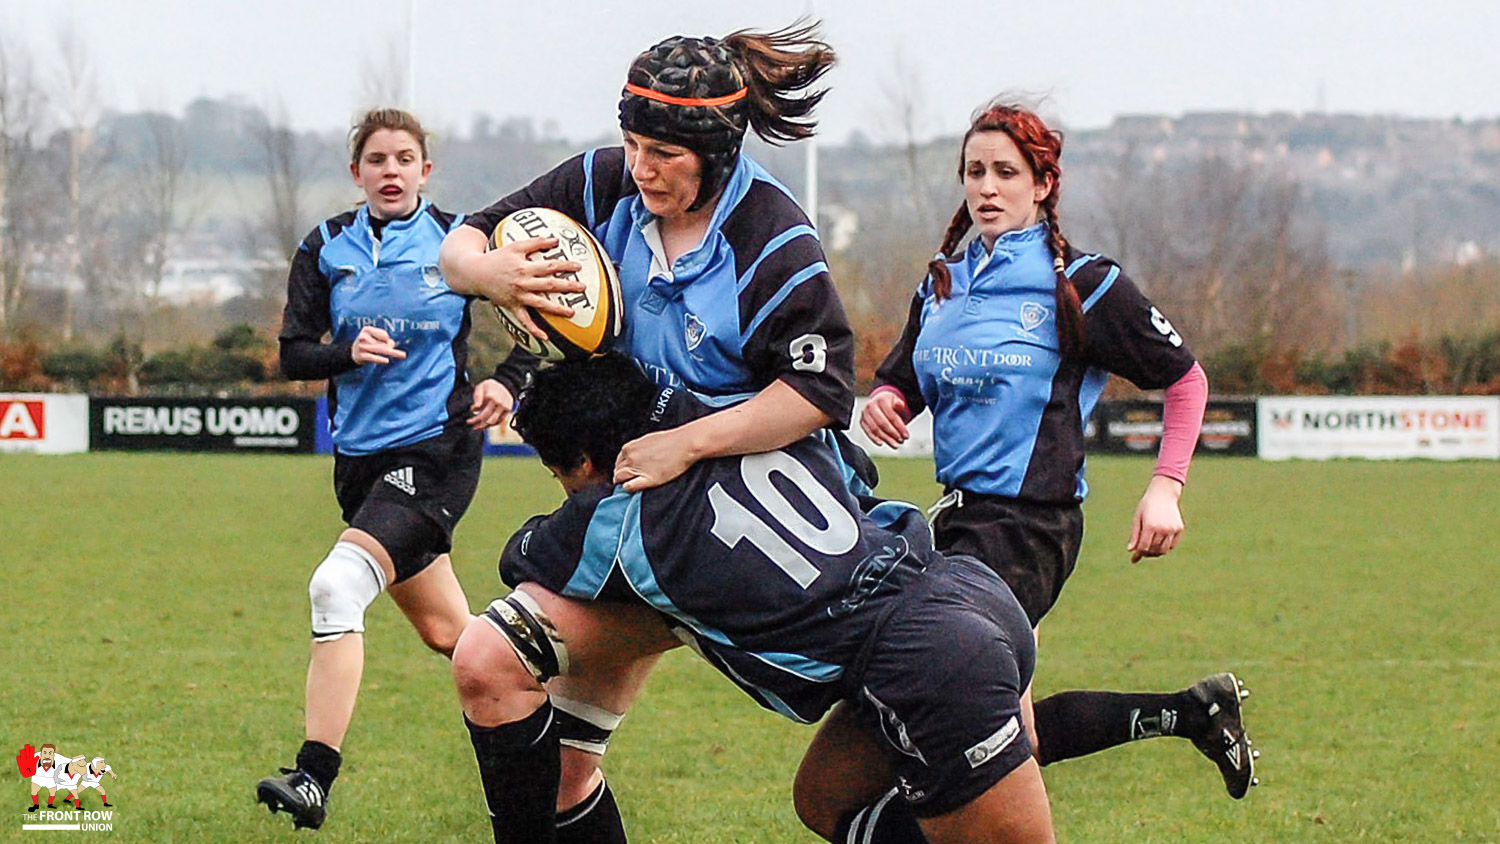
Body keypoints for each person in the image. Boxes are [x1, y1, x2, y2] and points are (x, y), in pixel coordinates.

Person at [439, 24, 862, 838]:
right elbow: (461, 243)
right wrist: (490, 273)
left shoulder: (773, 238)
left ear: (718, 151)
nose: (640, 167)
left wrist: (688, 441)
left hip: (746, 531)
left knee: (490, 659)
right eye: (632, 143)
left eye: (662, 152)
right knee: (554, 753)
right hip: (647, 515)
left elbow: (819, 392)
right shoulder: (605, 184)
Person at [843, 98, 1256, 819]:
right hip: (956, 523)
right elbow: (903, 380)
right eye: (975, 171)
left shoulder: (1084, 285)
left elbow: (1186, 380)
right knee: (1014, 741)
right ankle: (1192, 714)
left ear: (1042, 185)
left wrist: (1166, 488)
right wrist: (887, 399)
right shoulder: (943, 280)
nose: (987, 187)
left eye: (1006, 171)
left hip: (1029, 532)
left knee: (936, 699)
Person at [451, 353, 1055, 844]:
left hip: (924, 662)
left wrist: (583, 507)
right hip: (969, 589)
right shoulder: (753, 416)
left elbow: (520, 559)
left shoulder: (620, 518)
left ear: (584, 464)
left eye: (560, 477)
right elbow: (857, 473)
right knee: (826, 799)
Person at [255, 107, 510, 831]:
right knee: (453, 639)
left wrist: (510, 381)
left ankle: (313, 776)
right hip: (361, 466)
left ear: (425, 171)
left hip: (437, 451)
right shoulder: (326, 246)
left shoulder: (461, 241)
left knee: (335, 587)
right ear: (357, 173)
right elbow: (294, 353)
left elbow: (538, 320)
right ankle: (549, 718)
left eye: (404, 158)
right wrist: (346, 350)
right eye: (376, 160)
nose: (390, 170)